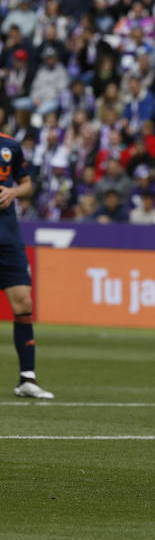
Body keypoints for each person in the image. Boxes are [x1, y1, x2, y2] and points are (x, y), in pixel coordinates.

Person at [0, 133, 54, 398]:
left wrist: (13, 191)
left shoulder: (9, 145)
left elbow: (27, 184)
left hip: (8, 237)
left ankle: (27, 379)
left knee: (23, 303)